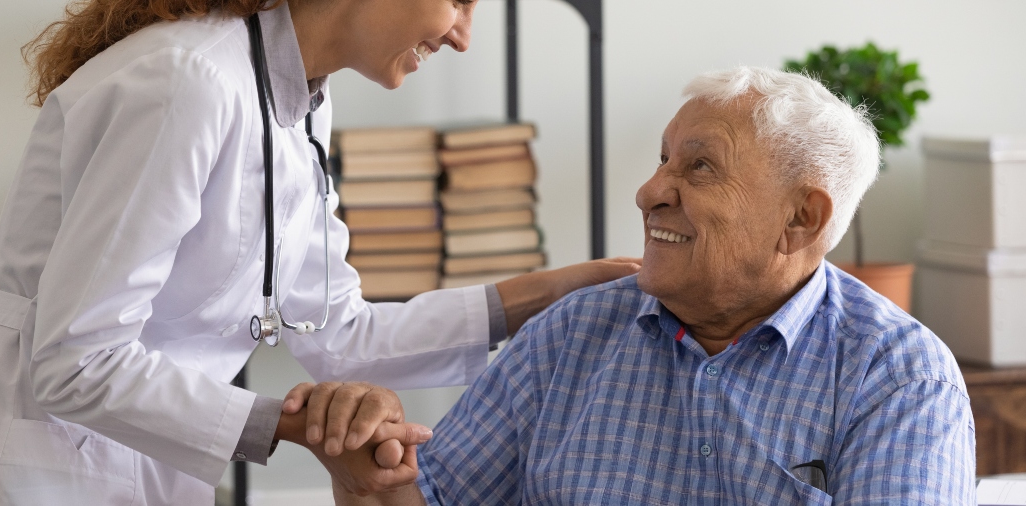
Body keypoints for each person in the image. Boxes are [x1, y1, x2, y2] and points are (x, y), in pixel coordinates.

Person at [0, 0, 639, 504]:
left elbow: (338, 333)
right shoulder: (188, 83)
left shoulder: (296, 99)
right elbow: (75, 362)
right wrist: (294, 422)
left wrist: (555, 292)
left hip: (138, 464)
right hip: (37, 468)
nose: (462, 34)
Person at [326, 67, 976, 505]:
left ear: (800, 219)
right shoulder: (570, 333)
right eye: (663, 160)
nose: (650, 192)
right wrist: (370, 484)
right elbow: (435, 498)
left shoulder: (899, 379)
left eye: (699, 167)